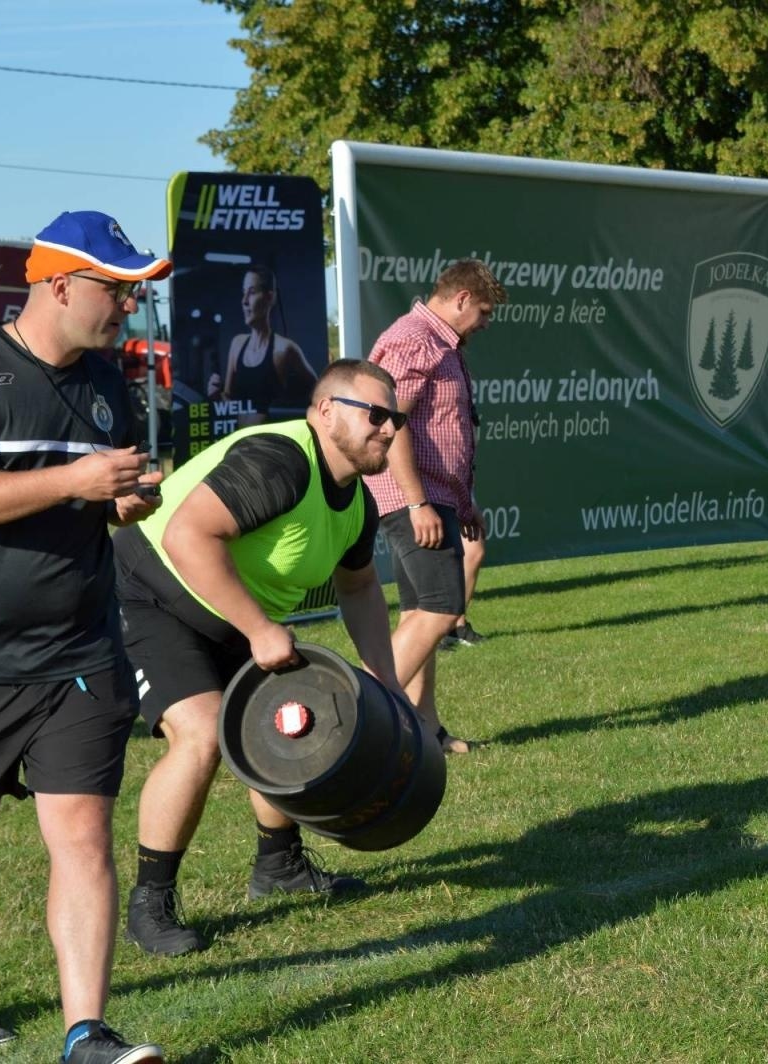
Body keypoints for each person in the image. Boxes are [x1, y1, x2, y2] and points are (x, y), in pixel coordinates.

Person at [0, 211, 166, 1062]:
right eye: (117, 290)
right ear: (61, 285)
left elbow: (107, 494)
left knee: (83, 837)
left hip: (81, 650)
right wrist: (76, 478)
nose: (128, 308)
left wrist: (126, 498)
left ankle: (85, 1032)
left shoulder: (110, 384)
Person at [117, 360, 413, 956]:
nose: (389, 430)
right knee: (201, 734)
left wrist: (388, 684)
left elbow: (357, 589)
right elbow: (185, 535)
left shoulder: (356, 502)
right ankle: (150, 902)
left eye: (396, 419)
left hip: (233, 611)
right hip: (152, 587)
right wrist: (258, 629)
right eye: (376, 415)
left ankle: (279, 868)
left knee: (291, 718)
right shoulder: (280, 460)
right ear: (327, 412)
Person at [366, 261, 509, 755]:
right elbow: (390, 425)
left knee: (419, 614)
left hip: (436, 497)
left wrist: (462, 504)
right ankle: (353, 722)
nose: (487, 325)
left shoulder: (443, 343)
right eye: (485, 312)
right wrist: (418, 501)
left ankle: (423, 729)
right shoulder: (415, 339)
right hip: (414, 498)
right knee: (441, 608)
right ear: (463, 298)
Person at [207, 265, 318, 422]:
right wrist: (216, 396)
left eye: (252, 292)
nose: (244, 301)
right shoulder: (237, 344)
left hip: (270, 443)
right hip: (240, 441)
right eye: (243, 293)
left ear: (269, 297)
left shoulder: (284, 349)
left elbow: (321, 390)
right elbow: (229, 401)